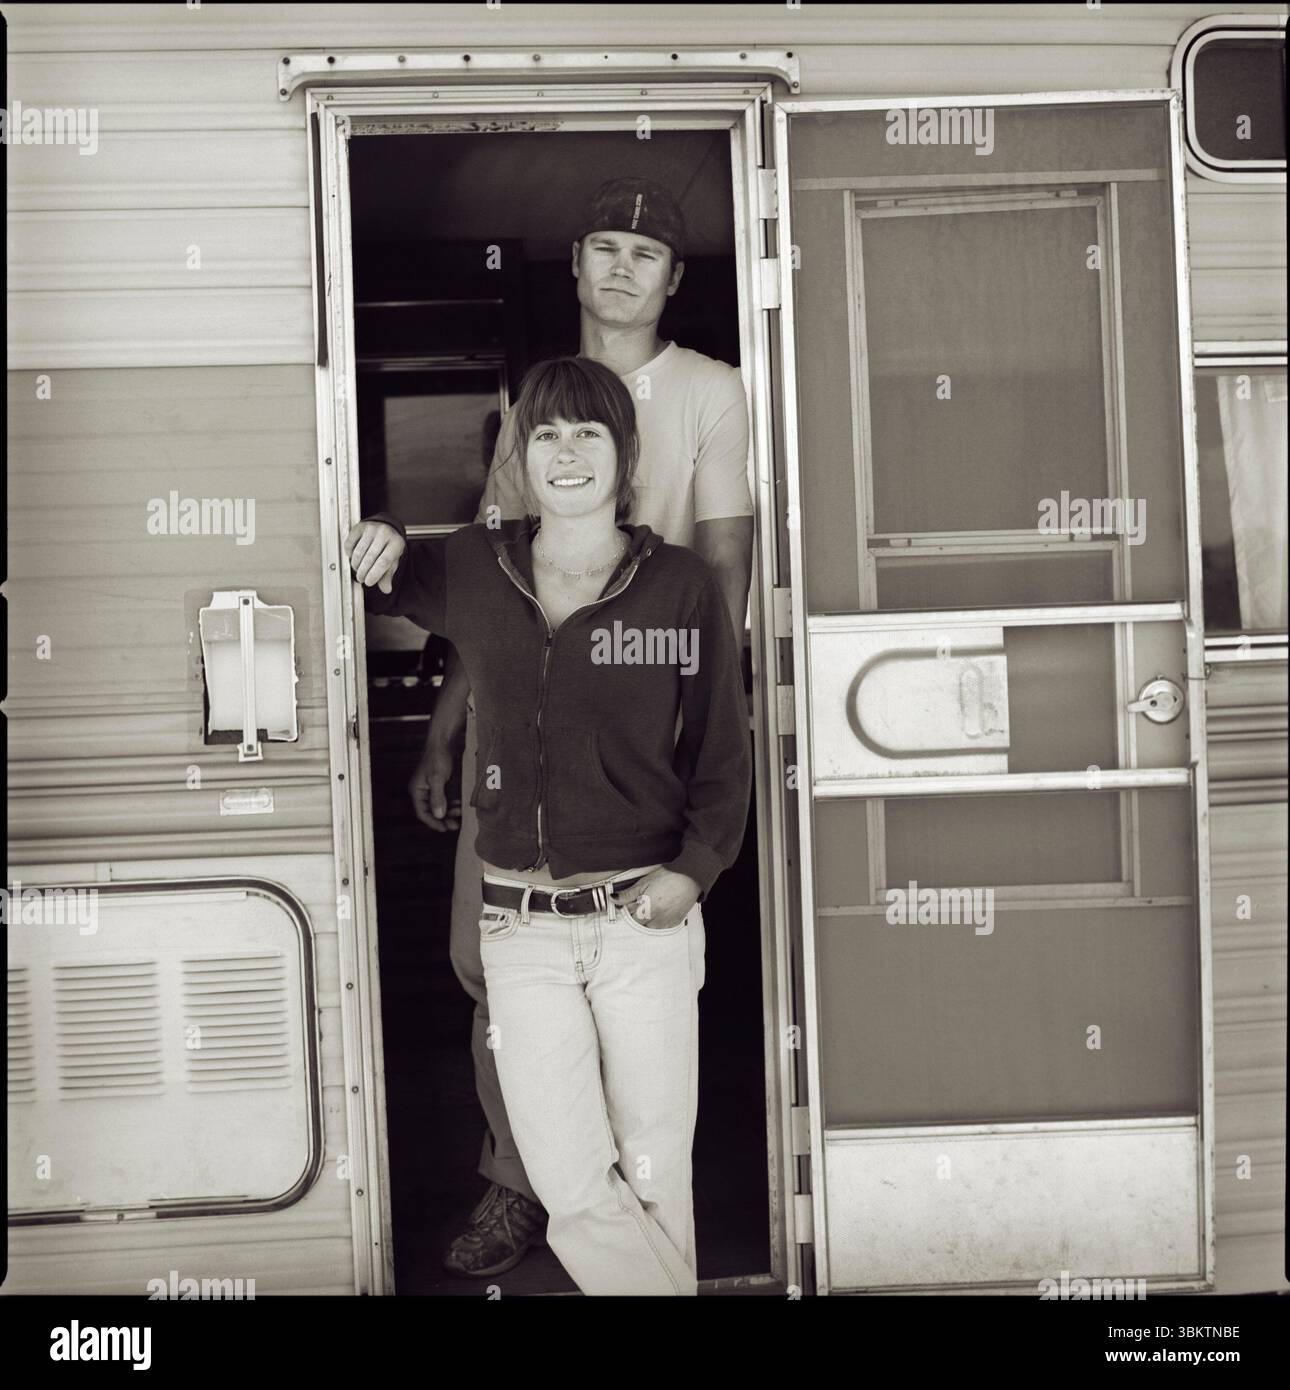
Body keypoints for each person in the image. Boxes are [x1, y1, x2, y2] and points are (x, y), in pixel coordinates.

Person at [402, 177, 755, 1276]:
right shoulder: (539, 403)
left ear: (674, 278)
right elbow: (488, 593)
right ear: (575, 265)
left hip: (639, 734)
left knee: (646, 1069)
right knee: (488, 959)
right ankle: (525, 1179)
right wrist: (450, 727)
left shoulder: (709, 392)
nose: (620, 267)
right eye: (602, 245)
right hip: (524, 746)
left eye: (644, 252)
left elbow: (722, 587)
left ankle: (585, 1202)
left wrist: (683, 749)